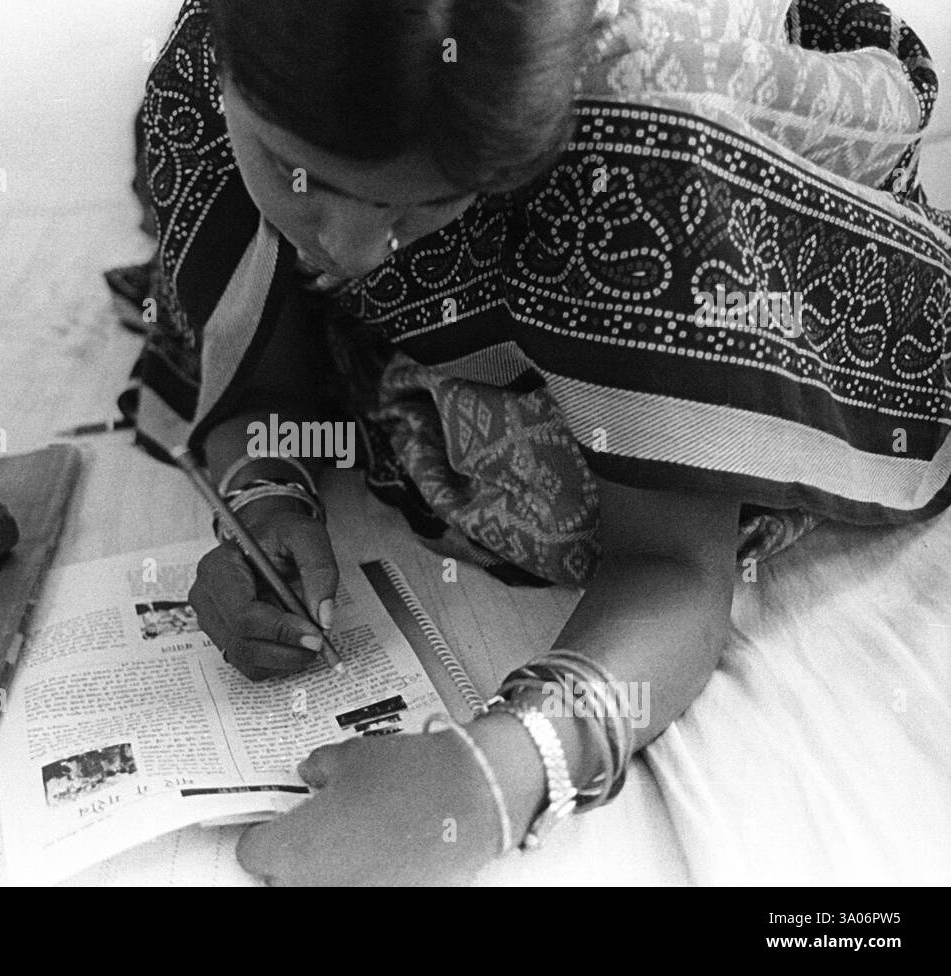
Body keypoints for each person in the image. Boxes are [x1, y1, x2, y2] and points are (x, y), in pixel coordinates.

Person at [105, 0, 951, 885]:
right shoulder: (210, 67)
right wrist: (265, 497)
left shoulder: (636, 156)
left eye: (427, 203)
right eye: (301, 175)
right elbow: (259, 372)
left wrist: (494, 779)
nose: (351, 252)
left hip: (659, 188)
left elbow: (670, 565)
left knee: (554, 504)